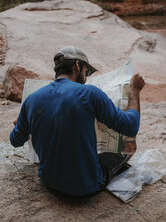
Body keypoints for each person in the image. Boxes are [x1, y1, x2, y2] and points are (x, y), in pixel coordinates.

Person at [10, 46, 145, 196]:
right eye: (86, 72)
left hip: (49, 181)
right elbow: (131, 127)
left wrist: (20, 125)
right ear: (77, 66)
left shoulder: (31, 100)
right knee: (128, 145)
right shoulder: (90, 93)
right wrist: (135, 92)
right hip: (86, 187)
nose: (86, 78)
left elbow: (15, 141)